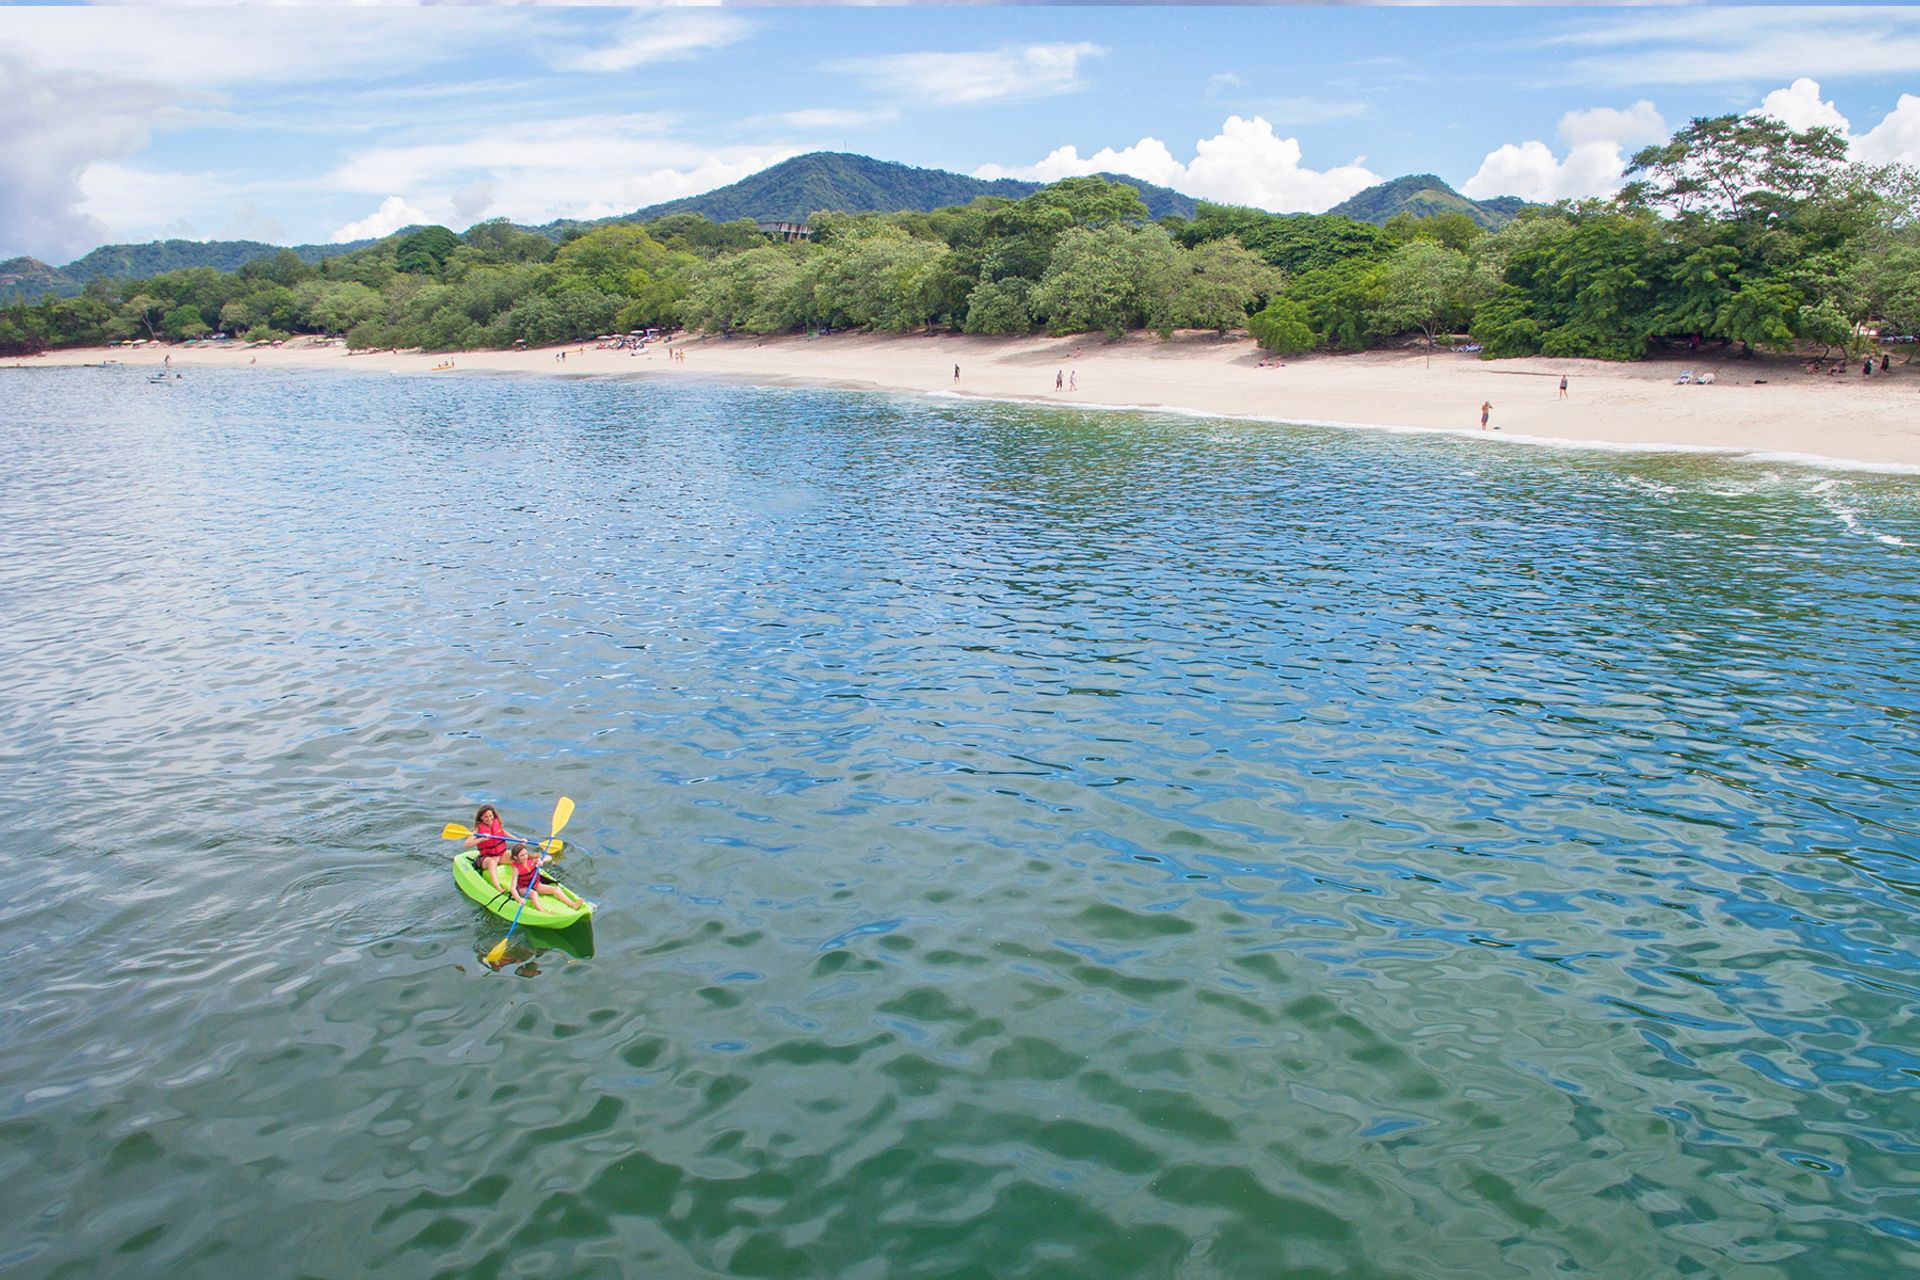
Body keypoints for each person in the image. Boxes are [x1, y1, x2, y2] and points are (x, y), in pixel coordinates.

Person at [508, 844, 587, 913]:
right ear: (515, 857)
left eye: (525, 854)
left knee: (556, 889)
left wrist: (542, 861)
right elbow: (513, 888)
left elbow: (549, 857)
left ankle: (573, 905)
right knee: (533, 894)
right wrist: (519, 899)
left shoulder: (531, 859)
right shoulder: (516, 869)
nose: (525, 856)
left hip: (535, 884)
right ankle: (543, 912)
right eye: (522, 855)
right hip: (524, 888)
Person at [464, 804, 525, 882]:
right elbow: (466, 845)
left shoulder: (497, 823)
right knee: (492, 862)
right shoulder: (478, 829)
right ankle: (498, 887)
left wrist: (518, 840)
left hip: (501, 854)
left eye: (491, 816)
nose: (489, 818)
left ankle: (527, 879)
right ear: (481, 818)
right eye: (486, 817)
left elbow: (504, 832)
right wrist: (482, 839)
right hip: (486, 857)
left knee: (519, 856)